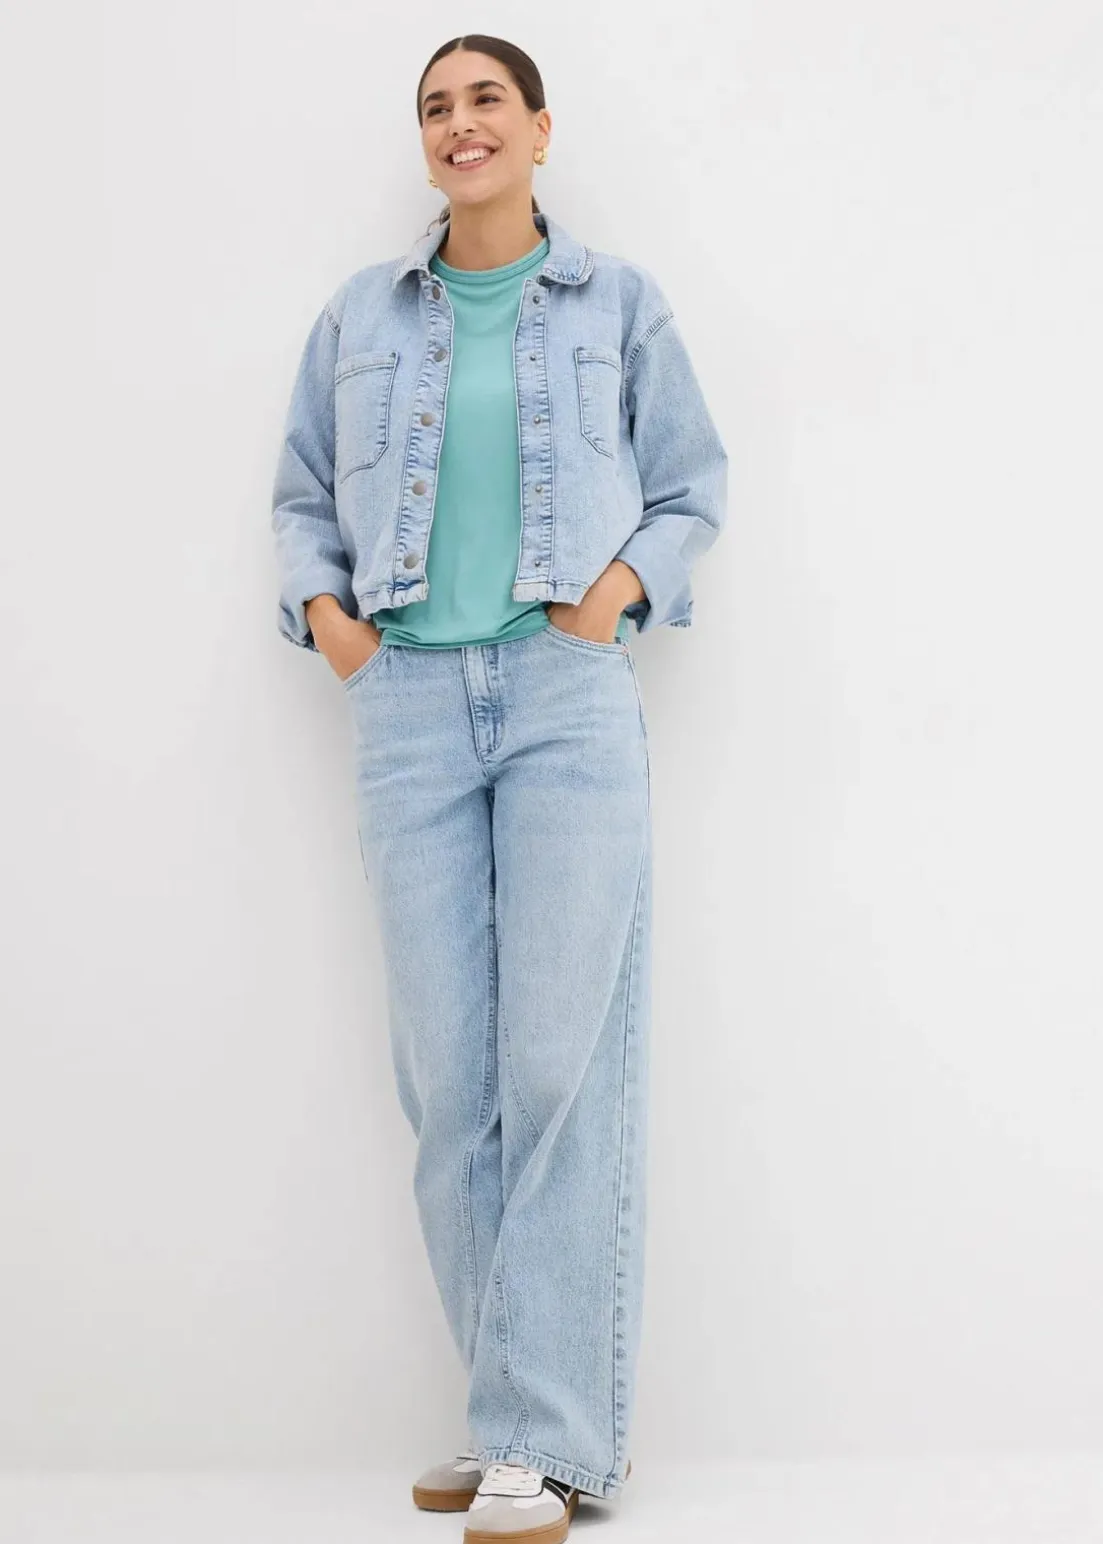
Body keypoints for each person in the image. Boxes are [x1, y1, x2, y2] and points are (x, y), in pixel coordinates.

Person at [270, 33, 727, 1544]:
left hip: (562, 696)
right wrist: (333, 623)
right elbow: (299, 496)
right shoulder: (359, 316)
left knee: (553, 1069)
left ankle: (543, 1437)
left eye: (484, 102)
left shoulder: (617, 303)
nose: (458, 125)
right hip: (405, 703)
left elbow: (690, 487)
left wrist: (609, 602)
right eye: (435, 107)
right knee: (447, 1085)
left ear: (538, 129)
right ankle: (520, 1421)